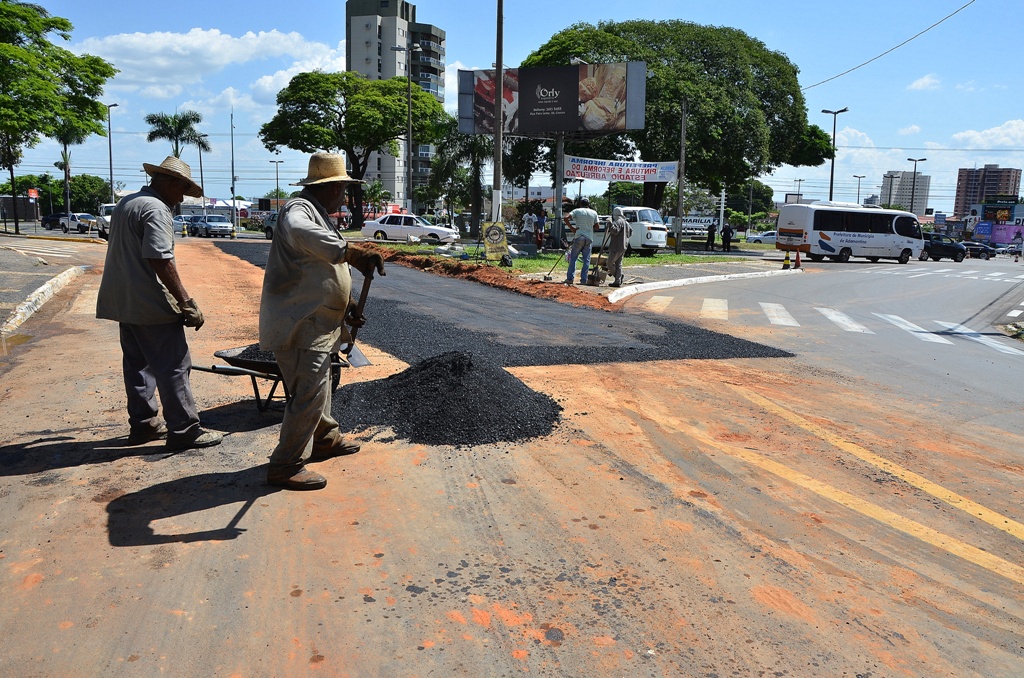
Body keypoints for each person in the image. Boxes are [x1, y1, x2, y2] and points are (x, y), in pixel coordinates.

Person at [259, 152, 386, 491]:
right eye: (342, 188)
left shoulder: (321, 216)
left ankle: (326, 437)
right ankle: (285, 464)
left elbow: (322, 274)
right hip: (299, 321)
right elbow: (308, 238)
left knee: (322, 385)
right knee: (309, 393)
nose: (344, 196)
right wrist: (351, 252)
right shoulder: (297, 211)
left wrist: (347, 307)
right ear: (329, 188)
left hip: (321, 320)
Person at [95, 156, 223, 451]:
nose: (180, 199)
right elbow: (159, 258)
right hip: (149, 302)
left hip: (123, 300)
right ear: (171, 183)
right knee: (174, 364)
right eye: (181, 191)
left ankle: (144, 425)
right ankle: (184, 429)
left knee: (138, 364)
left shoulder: (129, 202)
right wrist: (186, 302)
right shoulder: (156, 209)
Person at [562, 198, 598, 285]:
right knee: (586, 260)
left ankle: (570, 279)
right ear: (588, 204)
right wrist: (589, 228)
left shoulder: (577, 211)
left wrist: (572, 228)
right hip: (589, 238)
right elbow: (597, 227)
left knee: (573, 258)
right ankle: (583, 280)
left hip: (579, 236)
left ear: (580, 204)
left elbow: (566, 218)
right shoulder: (594, 213)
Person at [606, 207, 632, 287]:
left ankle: (618, 277)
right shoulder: (625, 222)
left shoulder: (618, 221)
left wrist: (610, 223)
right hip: (623, 246)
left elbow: (615, 231)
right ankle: (618, 280)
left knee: (609, 263)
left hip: (616, 246)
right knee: (618, 264)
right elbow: (631, 231)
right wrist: (625, 239)